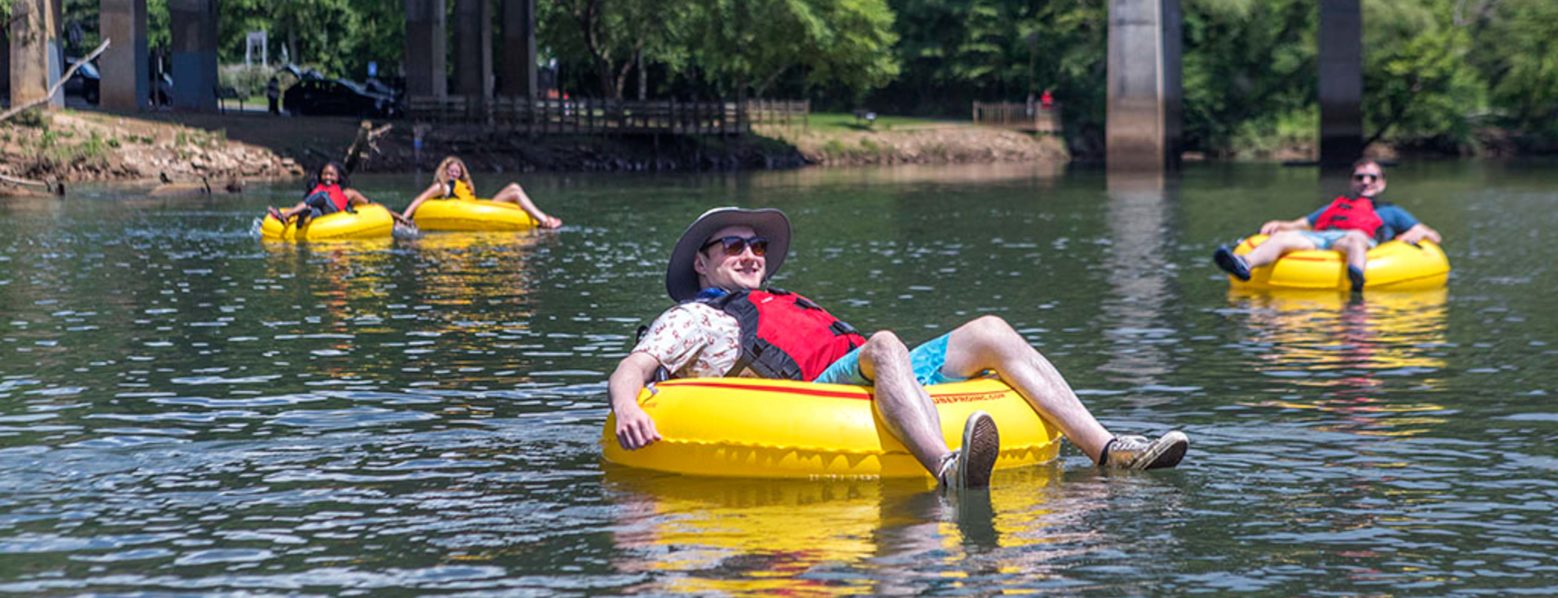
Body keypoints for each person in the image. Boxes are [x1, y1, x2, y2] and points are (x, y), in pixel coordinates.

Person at [610, 207, 1190, 492]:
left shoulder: (780, 298)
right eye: (732, 245)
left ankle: (1110, 450)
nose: (750, 253)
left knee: (989, 328)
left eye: (756, 244)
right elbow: (633, 367)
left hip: (858, 376)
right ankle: (947, 467)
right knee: (885, 342)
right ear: (702, 262)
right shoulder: (696, 317)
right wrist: (631, 406)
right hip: (812, 399)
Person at [1213, 158, 1442, 292]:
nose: (1366, 182)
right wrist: (1279, 224)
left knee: (1355, 238)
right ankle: (1244, 264)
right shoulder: (1337, 207)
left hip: (1355, 241)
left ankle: (1356, 279)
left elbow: (1434, 236)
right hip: (1322, 241)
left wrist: (1417, 231)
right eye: (1359, 177)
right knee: (1282, 239)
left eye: (1372, 178)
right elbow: (1299, 224)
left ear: (1382, 183)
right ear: (1351, 181)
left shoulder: (1392, 212)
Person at [400, 156, 562, 228]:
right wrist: (403, 218)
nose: (455, 175)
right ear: (445, 172)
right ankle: (544, 220)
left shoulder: (462, 185)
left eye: (458, 172)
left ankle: (543, 218)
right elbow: (419, 199)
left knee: (515, 187)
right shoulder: (443, 186)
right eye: (451, 172)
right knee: (514, 189)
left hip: (478, 207)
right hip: (469, 212)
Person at [265, 161, 408, 227]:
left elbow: (373, 205)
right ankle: (302, 217)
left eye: (331, 175)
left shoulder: (348, 193)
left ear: (339, 177)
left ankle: (286, 215)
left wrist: (398, 216)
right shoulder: (317, 188)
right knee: (313, 209)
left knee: (321, 197)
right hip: (321, 215)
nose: (327, 177)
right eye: (324, 174)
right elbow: (306, 201)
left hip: (334, 211)